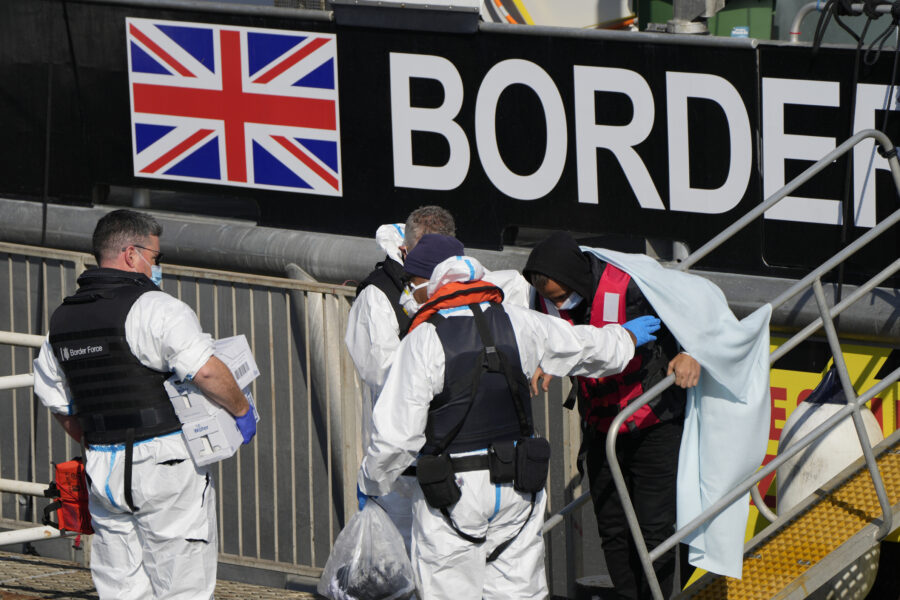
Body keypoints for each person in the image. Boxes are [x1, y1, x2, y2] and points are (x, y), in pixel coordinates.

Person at [357, 234, 661, 599]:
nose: (410, 291)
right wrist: (625, 337)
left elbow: (396, 437)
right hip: (519, 489)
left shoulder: (423, 340)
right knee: (520, 590)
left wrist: (372, 484)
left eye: (413, 284)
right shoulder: (519, 322)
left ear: (431, 286)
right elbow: (581, 344)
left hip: (453, 496)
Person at [32, 209, 256, 600]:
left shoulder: (61, 321)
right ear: (132, 255)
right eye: (156, 257)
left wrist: (99, 441)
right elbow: (206, 371)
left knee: (121, 588)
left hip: (103, 466)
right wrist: (241, 410)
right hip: (165, 464)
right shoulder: (156, 308)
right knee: (183, 585)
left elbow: (59, 404)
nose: (157, 266)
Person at [523, 231, 700, 600]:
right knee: (612, 526)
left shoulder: (632, 284)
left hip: (653, 420)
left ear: (576, 279)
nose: (560, 304)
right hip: (601, 427)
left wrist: (691, 351)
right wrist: (548, 359)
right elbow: (556, 339)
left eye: (563, 296)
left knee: (656, 527)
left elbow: (695, 307)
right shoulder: (540, 299)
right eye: (553, 300)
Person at [344, 207, 529, 550]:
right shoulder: (378, 298)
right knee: (402, 571)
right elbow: (384, 381)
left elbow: (516, 292)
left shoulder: (470, 282)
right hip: (404, 469)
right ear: (405, 251)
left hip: (462, 461)